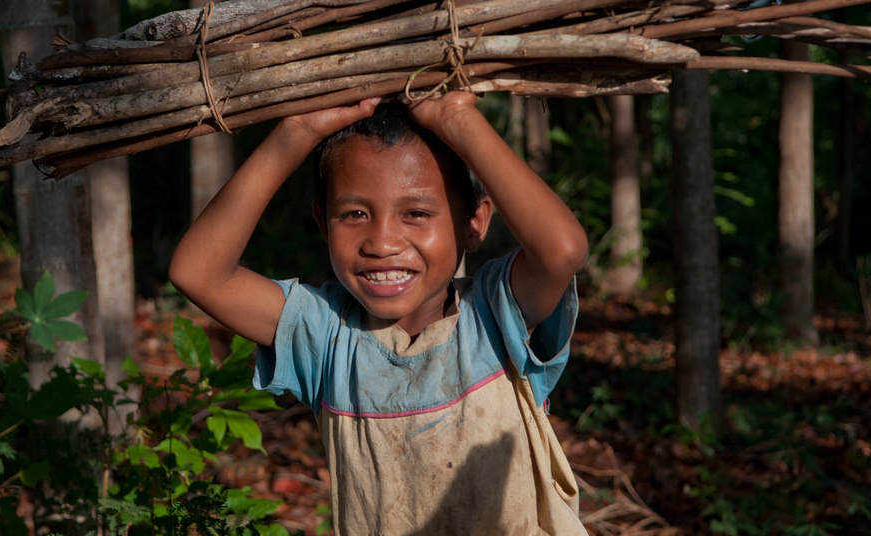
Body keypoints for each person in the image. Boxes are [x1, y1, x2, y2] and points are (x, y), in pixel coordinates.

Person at [170, 91, 590, 535]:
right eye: (354, 214)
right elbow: (199, 272)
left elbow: (561, 251)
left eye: (416, 213)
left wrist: (456, 117)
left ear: (474, 222)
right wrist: (296, 131)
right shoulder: (327, 335)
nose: (382, 242)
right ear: (322, 223)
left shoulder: (493, 315)